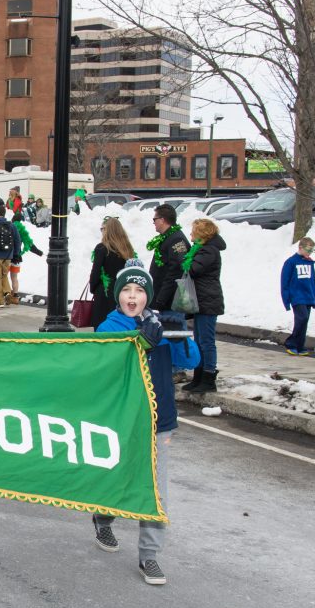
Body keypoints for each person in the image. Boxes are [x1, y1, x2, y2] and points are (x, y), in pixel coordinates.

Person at [93, 259, 176, 586]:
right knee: (119, 478)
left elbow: (191, 360)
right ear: (117, 295)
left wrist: (177, 336)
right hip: (121, 420)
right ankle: (103, 515)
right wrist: (141, 340)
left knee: (155, 491)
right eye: (126, 290)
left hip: (159, 422)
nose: (132, 296)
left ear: (148, 295)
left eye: (139, 291)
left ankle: (149, 555)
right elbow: (108, 370)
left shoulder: (159, 325)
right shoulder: (108, 327)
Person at [182, 218, 226, 392]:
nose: (191, 233)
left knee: (206, 341)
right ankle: (198, 376)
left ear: (202, 233)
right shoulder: (201, 249)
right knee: (199, 339)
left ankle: (208, 377)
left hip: (208, 300)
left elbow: (193, 269)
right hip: (201, 300)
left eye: (194, 230)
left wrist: (183, 259)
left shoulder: (209, 251)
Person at [88, 217, 136, 328]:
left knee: (103, 326)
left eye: (103, 229)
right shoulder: (127, 248)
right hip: (122, 291)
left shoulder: (102, 248)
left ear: (107, 230)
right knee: (119, 325)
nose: (102, 232)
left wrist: (93, 287)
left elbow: (95, 272)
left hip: (104, 292)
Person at [280, 237, 315, 356]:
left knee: (305, 320)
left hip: (308, 296)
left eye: (312, 250)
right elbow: (284, 282)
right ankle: (291, 343)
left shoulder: (309, 263)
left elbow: (313, 281)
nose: (309, 253)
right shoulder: (291, 262)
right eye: (308, 250)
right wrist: (286, 300)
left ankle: (300, 345)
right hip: (297, 297)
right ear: (300, 248)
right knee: (301, 318)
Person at [0, 204, 21, 307]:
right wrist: (15, 254)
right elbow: (17, 241)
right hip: (8, 257)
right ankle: (7, 293)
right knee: (4, 275)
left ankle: (0, 301)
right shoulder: (12, 225)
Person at [9, 210, 44, 304]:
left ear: (12, 219)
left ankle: (7, 295)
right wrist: (39, 252)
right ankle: (15, 296)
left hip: (6, 256)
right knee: (14, 277)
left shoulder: (9, 227)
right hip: (17, 257)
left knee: (3, 276)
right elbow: (29, 243)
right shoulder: (22, 230)